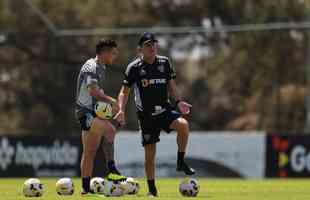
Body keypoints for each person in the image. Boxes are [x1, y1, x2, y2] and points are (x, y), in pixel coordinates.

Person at [115, 32, 195, 197]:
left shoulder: (164, 62)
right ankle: (152, 190)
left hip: (164, 110)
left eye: (154, 44)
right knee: (150, 156)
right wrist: (121, 110)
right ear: (140, 49)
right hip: (146, 117)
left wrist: (179, 101)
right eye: (148, 45)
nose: (152, 47)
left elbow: (172, 85)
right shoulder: (134, 68)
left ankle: (180, 162)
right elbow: (124, 92)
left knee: (183, 126)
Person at [75, 39, 126, 195]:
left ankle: (85, 189)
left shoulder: (101, 67)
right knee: (110, 130)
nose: (115, 56)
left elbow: (97, 92)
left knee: (89, 151)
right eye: (113, 52)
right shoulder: (91, 67)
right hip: (85, 112)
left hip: (92, 111)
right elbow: (93, 91)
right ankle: (111, 169)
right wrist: (113, 102)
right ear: (104, 52)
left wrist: (105, 101)